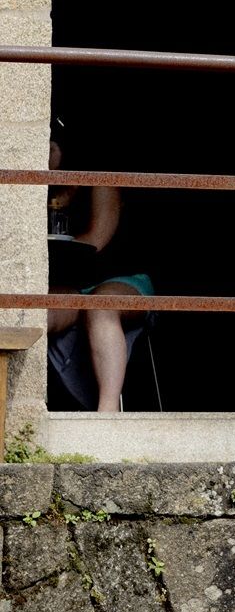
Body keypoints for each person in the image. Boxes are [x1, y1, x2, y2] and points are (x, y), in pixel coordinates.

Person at [47, 126, 153, 411]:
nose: (45, 154)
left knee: (100, 306)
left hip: (119, 276)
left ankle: (107, 416)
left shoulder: (98, 177)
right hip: (72, 282)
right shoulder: (38, 187)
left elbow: (97, 239)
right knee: (35, 310)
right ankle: (31, 408)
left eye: (51, 146)